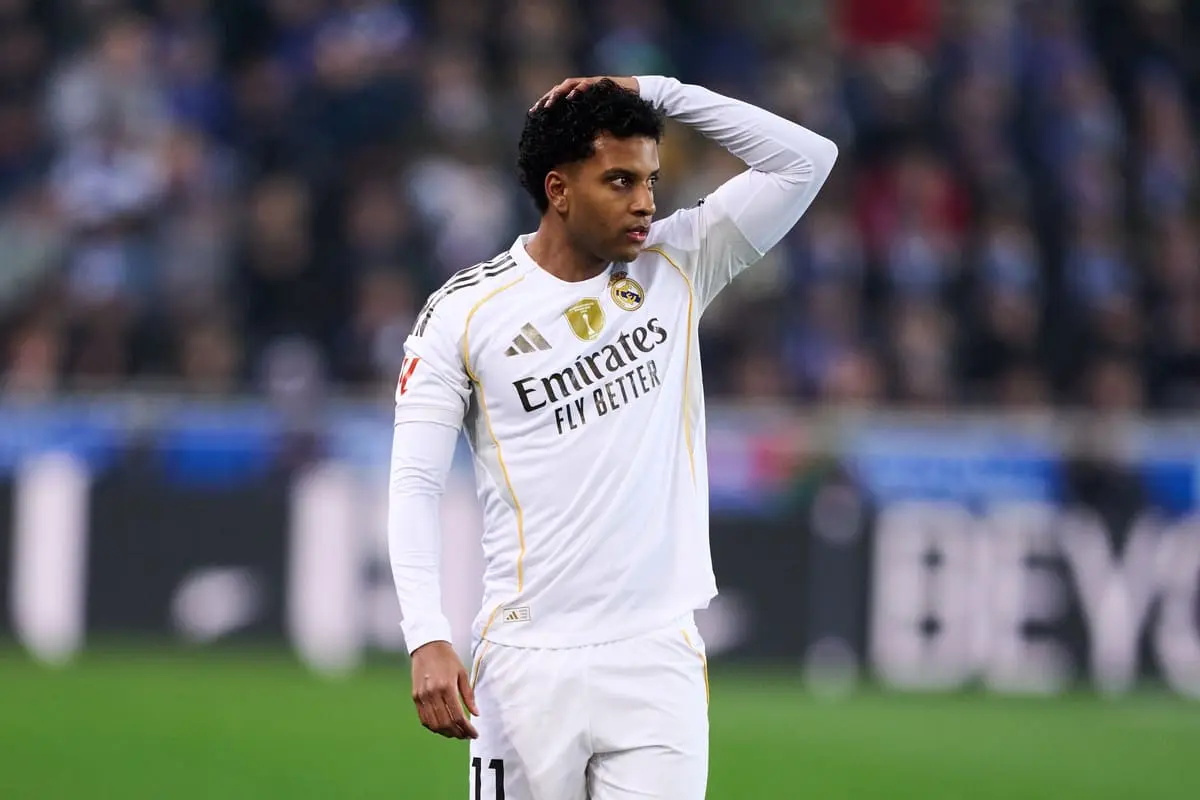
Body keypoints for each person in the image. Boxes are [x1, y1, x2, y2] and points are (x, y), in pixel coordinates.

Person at [389, 74, 837, 799]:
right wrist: (424, 632)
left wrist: (655, 90)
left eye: (652, 180)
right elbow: (413, 481)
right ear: (558, 189)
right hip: (525, 664)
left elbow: (807, 159)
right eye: (620, 180)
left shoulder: (680, 262)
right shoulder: (465, 315)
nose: (647, 203)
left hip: (656, 656)